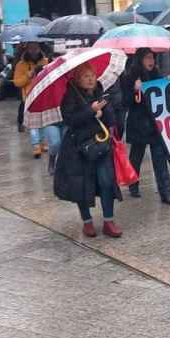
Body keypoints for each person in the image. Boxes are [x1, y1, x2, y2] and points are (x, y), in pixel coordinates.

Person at [55, 64, 123, 238]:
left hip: (101, 145)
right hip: (78, 148)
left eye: (92, 75)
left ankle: (109, 221)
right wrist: (90, 111)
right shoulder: (70, 96)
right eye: (86, 76)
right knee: (81, 186)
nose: (91, 79)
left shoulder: (101, 92)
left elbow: (112, 118)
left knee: (107, 182)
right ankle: (87, 222)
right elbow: (70, 120)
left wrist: (104, 112)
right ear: (78, 79)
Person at [122, 49, 170, 205]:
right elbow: (125, 102)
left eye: (152, 57)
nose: (151, 61)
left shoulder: (156, 74)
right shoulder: (129, 76)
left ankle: (166, 192)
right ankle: (133, 184)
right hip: (138, 123)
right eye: (147, 58)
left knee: (160, 158)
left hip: (154, 123)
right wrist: (134, 90)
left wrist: (167, 83)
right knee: (136, 157)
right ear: (140, 59)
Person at [14, 42, 51, 159]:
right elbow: (17, 82)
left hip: (43, 95)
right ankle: (36, 146)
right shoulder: (21, 64)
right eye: (31, 48)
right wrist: (27, 76)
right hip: (29, 97)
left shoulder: (45, 62)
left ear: (40, 48)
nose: (34, 50)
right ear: (27, 49)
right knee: (33, 123)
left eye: (36, 47)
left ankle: (43, 143)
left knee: (44, 122)